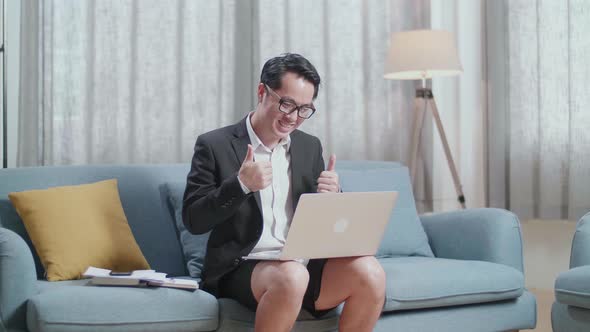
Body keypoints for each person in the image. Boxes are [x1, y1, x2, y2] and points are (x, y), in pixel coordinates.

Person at [182, 53, 385, 332]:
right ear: (262, 91)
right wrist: (241, 185)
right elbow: (194, 220)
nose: (293, 118)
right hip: (244, 268)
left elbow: (322, 226)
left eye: (304, 109)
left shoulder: (309, 146)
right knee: (292, 275)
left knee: (370, 272)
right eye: (287, 104)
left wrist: (333, 196)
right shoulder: (215, 145)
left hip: (303, 264)